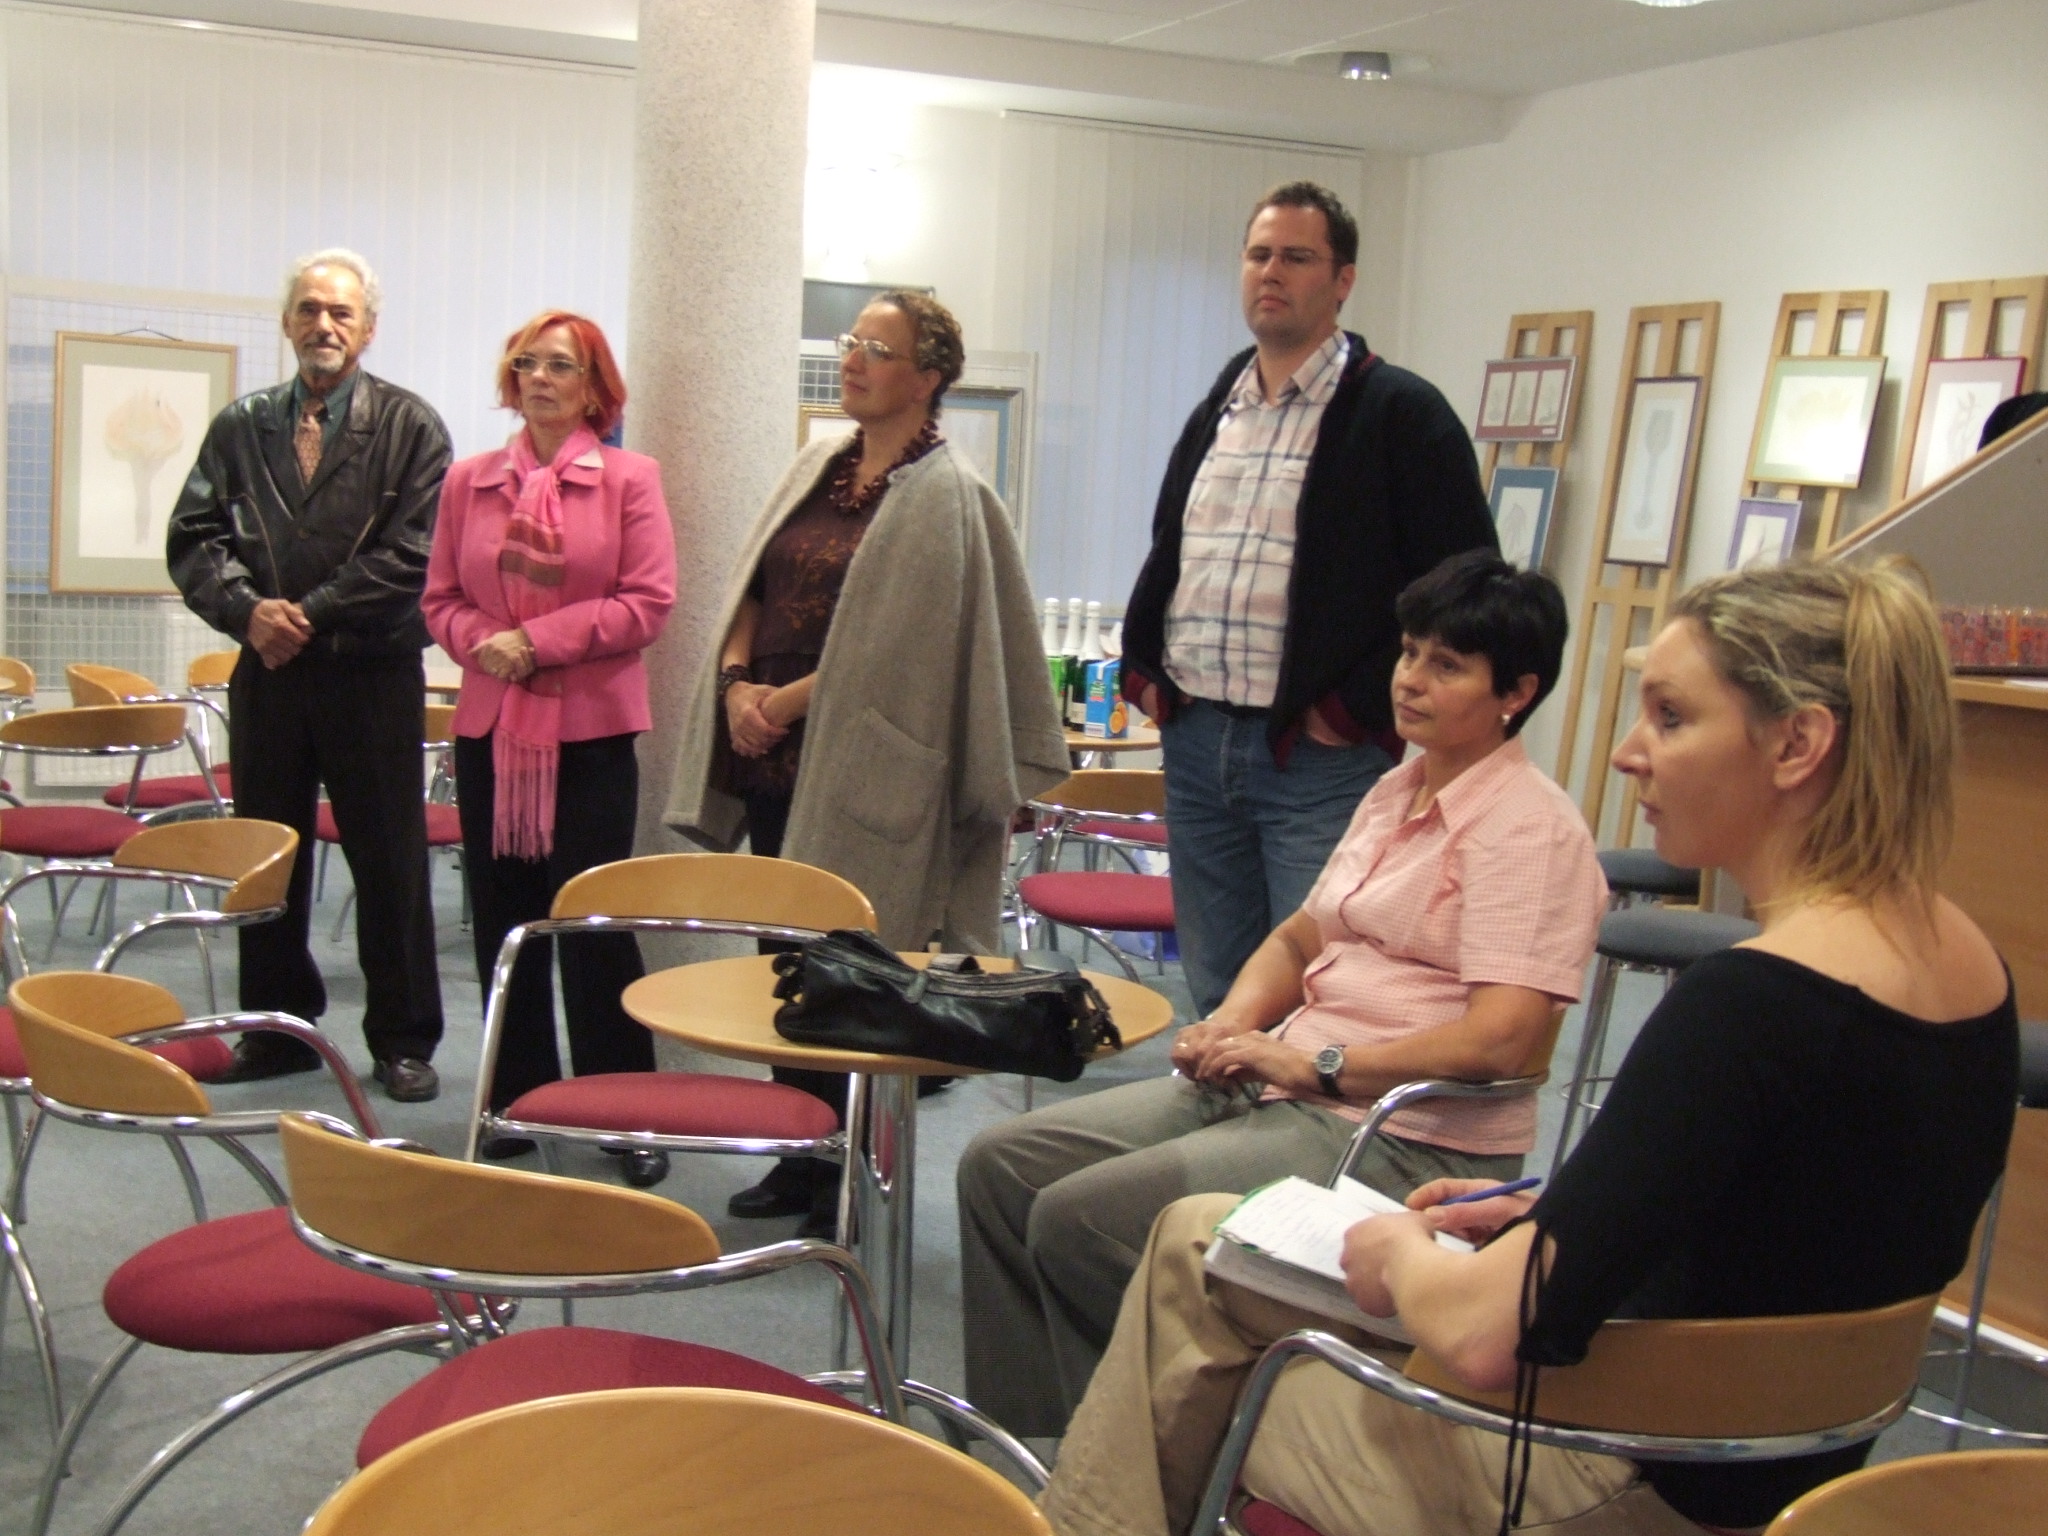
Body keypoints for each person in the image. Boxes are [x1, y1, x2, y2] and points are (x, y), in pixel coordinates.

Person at [1040, 559, 2019, 1536]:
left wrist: (1400, 1253)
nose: (1628, 754)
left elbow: (1481, 1336)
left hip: (1604, 1478)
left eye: (1670, 718)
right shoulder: (1968, 966)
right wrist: (1566, 1214)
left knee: (1195, 1317)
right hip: (1777, 1471)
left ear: (1797, 744)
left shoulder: (1747, 1005)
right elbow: (1801, 1227)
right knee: (1193, 1241)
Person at [959, 552, 1606, 1439]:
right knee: (1000, 1166)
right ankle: (1039, 1441)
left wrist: (1318, 1066)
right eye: (1409, 652)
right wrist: (1230, 1023)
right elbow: (1302, 937)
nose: (1411, 679)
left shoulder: (1529, 832)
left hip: (1405, 1137)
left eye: (1447, 665)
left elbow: (1502, 1041)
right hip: (1289, 1083)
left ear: (1517, 694)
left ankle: (1158, 1455)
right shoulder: (1398, 789)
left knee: (1080, 1222)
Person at [665, 290, 1067, 1238]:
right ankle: (797, 1150)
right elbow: (754, 586)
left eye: (876, 350)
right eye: (853, 343)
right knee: (782, 959)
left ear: (927, 377)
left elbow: (903, 650)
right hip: (770, 753)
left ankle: (849, 1169)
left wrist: (781, 703)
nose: (852, 360)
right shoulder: (818, 465)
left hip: (866, 765)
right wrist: (736, 686)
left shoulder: (947, 495)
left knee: (852, 969)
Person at [1119, 180, 1498, 1018]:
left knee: (1317, 986)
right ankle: (1223, 1107)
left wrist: (1352, 709)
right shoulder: (1221, 407)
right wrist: (1147, 674)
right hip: (1198, 743)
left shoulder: (1401, 414)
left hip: (1318, 759)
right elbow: (1172, 551)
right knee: (1218, 989)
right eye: (1259, 255)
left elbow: (1465, 590)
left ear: (1343, 279)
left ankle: (1291, 1112)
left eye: (1297, 257)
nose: (1272, 272)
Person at [167, 248, 450, 1102]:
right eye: (309, 309)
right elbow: (194, 538)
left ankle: (403, 1039)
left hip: (371, 673)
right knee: (267, 855)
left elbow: (414, 553)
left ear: (369, 328)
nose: (323, 325)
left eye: (341, 312)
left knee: (389, 859)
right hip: (268, 672)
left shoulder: (411, 427)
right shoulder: (239, 425)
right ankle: (275, 1028)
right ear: (287, 321)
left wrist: (309, 613)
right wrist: (248, 612)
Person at [423, 311, 675, 1188]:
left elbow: (648, 602)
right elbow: (440, 598)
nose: (540, 378)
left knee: (593, 928)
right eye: (528, 363)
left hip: (592, 734)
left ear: (594, 386)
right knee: (507, 925)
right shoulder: (469, 481)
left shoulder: (630, 479)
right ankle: (516, 1100)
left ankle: (627, 1111)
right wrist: (482, 643)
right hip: (492, 730)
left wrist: (536, 642)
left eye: (561, 366)